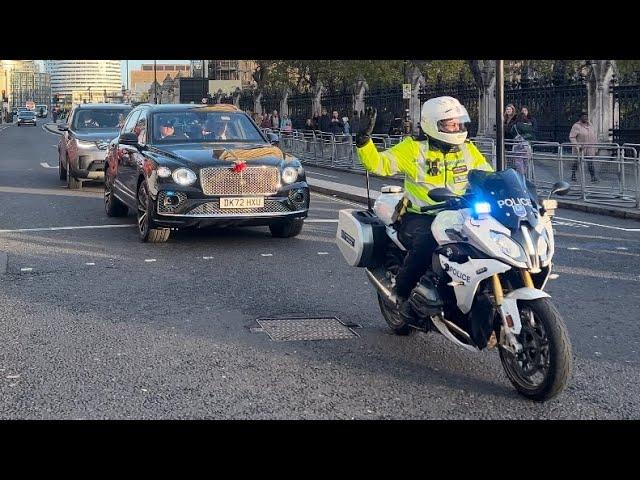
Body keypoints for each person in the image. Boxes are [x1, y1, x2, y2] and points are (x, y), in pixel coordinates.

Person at [355, 96, 493, 326]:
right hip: (421, 215)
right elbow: (380, 164)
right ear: (433, 124)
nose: (457, 128)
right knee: (429, 242)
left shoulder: (466, 149)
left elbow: (487, 174)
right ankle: (401, 293)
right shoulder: (414, 149)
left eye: (459, 123)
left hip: (459, 214)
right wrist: (363, 141)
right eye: (451, 124)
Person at [569, 112, 598, 182]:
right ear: (580, 117)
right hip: (580, 148)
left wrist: (596, 146)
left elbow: (594, 136)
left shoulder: (590, 125)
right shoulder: (576, 126)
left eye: (586, 116)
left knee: (590, 162)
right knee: (576, 162)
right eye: (583, 116)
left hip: (590, 147)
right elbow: (572, 137)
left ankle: (593, 177)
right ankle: (573, 175)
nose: (585, 118)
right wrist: (577, 146)